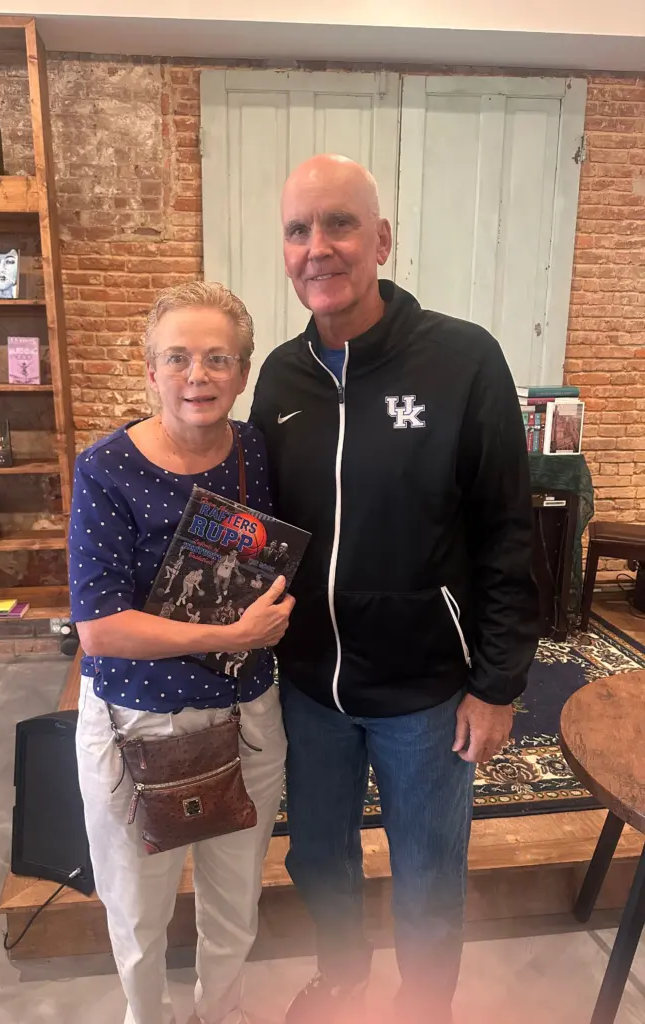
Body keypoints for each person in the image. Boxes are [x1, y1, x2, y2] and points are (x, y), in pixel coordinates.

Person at [250, 155, 539, 1024]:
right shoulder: (281, 376)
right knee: (318, 858)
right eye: (298, 230)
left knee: (427, 873)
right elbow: (261, 525)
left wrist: (498, 684)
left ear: (380, 240)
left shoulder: (463, 359)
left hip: (425, 691)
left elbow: (508, 529)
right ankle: (343, 976)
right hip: (311, 686)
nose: (317, 247)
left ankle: (424, 1004)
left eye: (339, 224)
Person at [69, 280, 295, 1024]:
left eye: (217, 358)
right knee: (139, 914)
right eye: (177, 358)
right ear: (150, 369)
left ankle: (221, 1011)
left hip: (246, 714)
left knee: (235, 899)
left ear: (243, 371)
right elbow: (100, 628)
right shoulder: (106, 468)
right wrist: (230, 637)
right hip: (140, 725)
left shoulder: (255, 450)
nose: (197, 375)